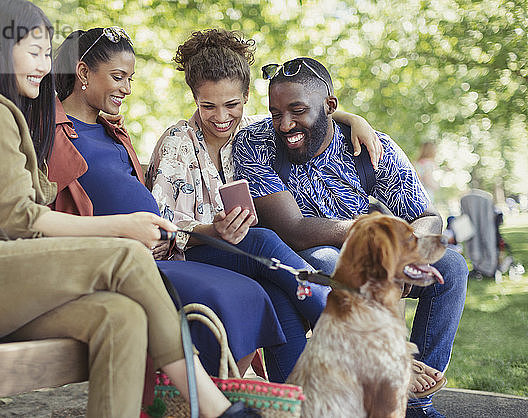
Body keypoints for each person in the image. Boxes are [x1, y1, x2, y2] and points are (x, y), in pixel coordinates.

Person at [0, 1, 258, 416]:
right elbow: (22, 219)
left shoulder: (13, 115)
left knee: (120, 317)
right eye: (33, 53)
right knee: (125, 255)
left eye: (47, 54)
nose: (44, 66)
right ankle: (211, 405)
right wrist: (125, 227)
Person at [232, 57, 468, 418]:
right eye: (276, 112)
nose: (285, 124)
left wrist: (408, 254)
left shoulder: (372, 148)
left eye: (297, 110)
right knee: (330, 261)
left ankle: (416, 401)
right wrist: (376, 244)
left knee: (451, 267)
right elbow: (291, 231)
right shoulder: (256, 143)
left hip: (374, 257)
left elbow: (427, 217)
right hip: (310, 259)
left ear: (330, 107)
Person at [146, 29, 383, 382]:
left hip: (252, 259)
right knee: (263, 241)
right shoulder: (177, 143)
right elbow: (159, 230)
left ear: (246, 97)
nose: (221, 117)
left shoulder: (259, 133)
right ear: (194, 99)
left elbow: (313, 114)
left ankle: (294, 398)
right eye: (208, 106)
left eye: (232, 105)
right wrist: (213, 231)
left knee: (278, 293)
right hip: (194, 255)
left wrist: (353, 120)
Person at [50, 27, 286, 379]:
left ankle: (217, 400)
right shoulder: (51, 131)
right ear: (83, 72)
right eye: (118, 77)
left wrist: (347, 117)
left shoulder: (110, 130)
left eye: (129, 78)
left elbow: (296, 116)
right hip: (122, 260)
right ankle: (213, 403)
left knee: (250, 294)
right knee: (235, 293)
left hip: (158, 250)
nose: (127, 89)